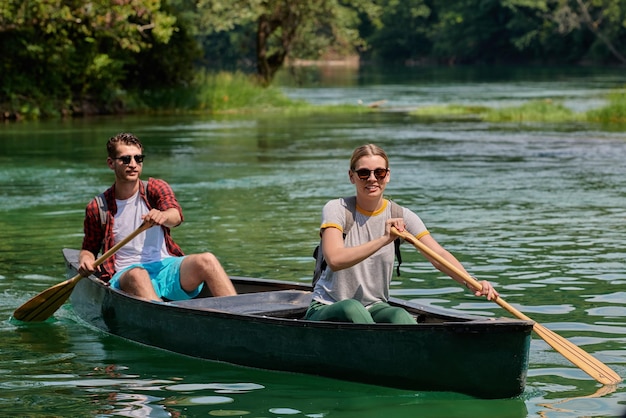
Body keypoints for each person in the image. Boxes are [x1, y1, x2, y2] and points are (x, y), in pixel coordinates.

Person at [305, 144, 499, 324]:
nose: (372, 179)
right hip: (327, 306)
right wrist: (384, 239)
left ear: (387, 176)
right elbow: (335, 260)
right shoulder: (337, 209)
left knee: (398, 315)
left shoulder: (401, 215)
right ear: (352, 176)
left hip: (374, 307)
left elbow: (438, 256)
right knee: (352, 308)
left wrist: (471, 282)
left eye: (379, 172)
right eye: (364, 173)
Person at [78, 132, 237, 301]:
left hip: (165, 267)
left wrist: (162, 215)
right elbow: (89, 248)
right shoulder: (98, 207)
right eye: (126, 159)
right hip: (126, 274)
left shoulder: (155, 188)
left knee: (207, 260)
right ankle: (165, 318)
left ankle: (238, 314)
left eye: (138, 159)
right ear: (111, 163)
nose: (133, 164)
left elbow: (175, 216)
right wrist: (85, 260)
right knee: (138, 275)